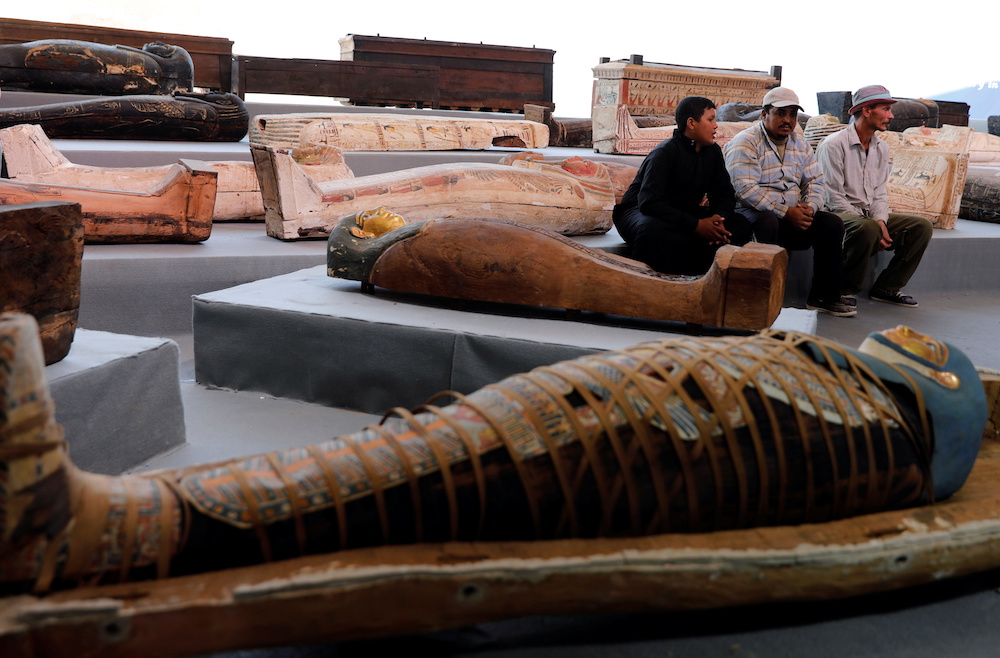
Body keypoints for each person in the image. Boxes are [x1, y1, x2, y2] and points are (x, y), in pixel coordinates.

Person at [0, 311, 987, 593]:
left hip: (820, 424)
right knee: (438, 452)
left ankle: (116, 528)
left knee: (440, 469)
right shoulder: (873, 382)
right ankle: (117, 523)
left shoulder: (909, 426)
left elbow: (935, 416)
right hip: (763, 392)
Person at [723, 87, 853, 318]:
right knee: (767, 221)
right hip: (752, 214)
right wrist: (785, 212)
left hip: (790, 214)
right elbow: (745, 190)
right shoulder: (745, 142)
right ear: (764, 115)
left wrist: (809, 208)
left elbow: (815, 181)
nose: (788, 120)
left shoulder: (799, 143)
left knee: (831, 224)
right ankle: (759, 297)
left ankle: (823, 297)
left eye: (792, 114)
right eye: (781, 113)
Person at [816, 85, 933, 308]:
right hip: (836, 216)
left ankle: (887, 287)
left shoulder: (882, 148)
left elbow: (879, 193)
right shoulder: (833, 145)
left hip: (866, 216)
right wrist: (873, 225)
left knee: (921, 227)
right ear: (867, 111)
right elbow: (832, 197)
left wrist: (881, 220)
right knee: (867, 228)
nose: (891, 115)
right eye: (886, 109)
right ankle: (841, 289)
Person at [613, 96, 751, 276]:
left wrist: (718, 219)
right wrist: (696, 225)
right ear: (691, 123)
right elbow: (650, 202)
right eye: (710, 119)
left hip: (680, 212)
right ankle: (652, 289)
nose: (716, 125)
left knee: (739, 224)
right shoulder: (665, 152)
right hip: (640, 211)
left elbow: (724, 194)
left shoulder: (713, 152)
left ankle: (705, 283)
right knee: (653, 231)